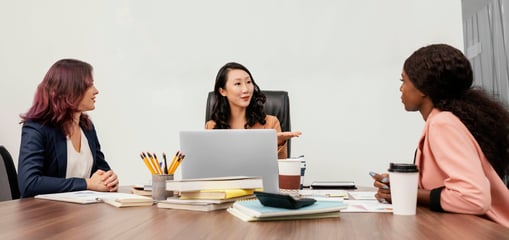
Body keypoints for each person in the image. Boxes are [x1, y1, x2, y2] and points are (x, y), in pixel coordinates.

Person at [371, 44, 509, 227]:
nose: (401, 89)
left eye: (403, 81)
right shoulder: (444, 121)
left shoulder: (442, 123)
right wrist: (398, 186)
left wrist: (408, 192)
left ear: (422, 89)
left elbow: (474, 198)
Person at [17, 59, 119, 198]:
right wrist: (87, 184)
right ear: (69, 90)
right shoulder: (36, 128)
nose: (96, 91)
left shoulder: (87, 127)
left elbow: (101, 169)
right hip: (47, 215)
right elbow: (29, 184)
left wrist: (109, 179)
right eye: (89, 85)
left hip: (82, 213)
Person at [206, 62, 302, 159]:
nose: (245, 89)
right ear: (223, 91)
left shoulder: (271, 124)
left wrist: (278, 142)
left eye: (248, 82)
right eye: (238, 83)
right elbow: (208, 165)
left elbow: (279, 169)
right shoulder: (211, 127)